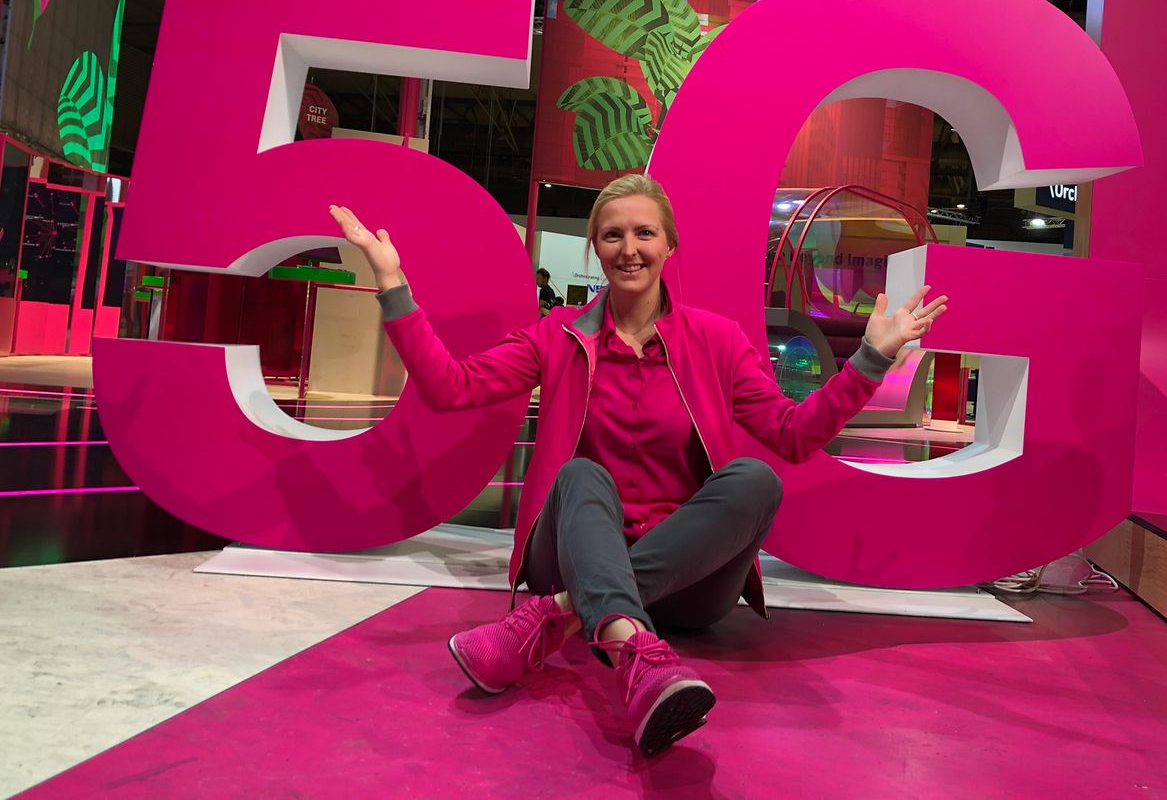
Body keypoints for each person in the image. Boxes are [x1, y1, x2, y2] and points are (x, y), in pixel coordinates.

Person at [328, 175, 947, 756]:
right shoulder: (556, 335)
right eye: (613, 234)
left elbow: (793, 436)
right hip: (568, 556)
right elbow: (449, 387)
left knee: (755, 479)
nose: (629, 249)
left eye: (644, 233)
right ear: (595, 247)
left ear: (669, 245)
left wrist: (869, 359)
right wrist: (392, 282)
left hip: (687, 585)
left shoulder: (717, 340)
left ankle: (561, 617)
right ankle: (637, 657)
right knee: (580, 474)